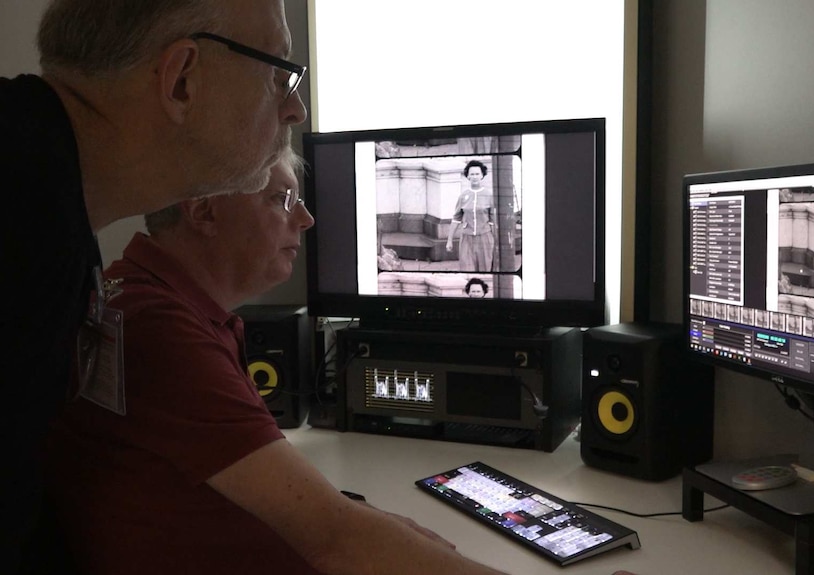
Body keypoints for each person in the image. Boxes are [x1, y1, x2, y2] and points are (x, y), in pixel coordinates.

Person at [43, 155, 508, 575]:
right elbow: (337, 544)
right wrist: (356, 528)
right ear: (204, 210)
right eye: (281, 199)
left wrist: (359, 520)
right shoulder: (161, 330)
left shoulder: (139, 295)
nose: (305, 219)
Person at [2, 1, 307, 571]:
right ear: (183, 79)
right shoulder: (24, 218)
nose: (295, 107)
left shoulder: (55, 209)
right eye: (276, 72)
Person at [446, 159, 497, 271]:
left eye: (477, 174)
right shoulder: (463, 196)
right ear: (468, 176)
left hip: (485, 238)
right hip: (466, 238)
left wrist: (495, 241)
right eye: (472, 174)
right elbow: (456, 219)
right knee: (467, 268)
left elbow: (493, 221)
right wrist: (449, 240)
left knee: (485, 268)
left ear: (482, 175)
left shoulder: (489, 195)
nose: (474, 177)